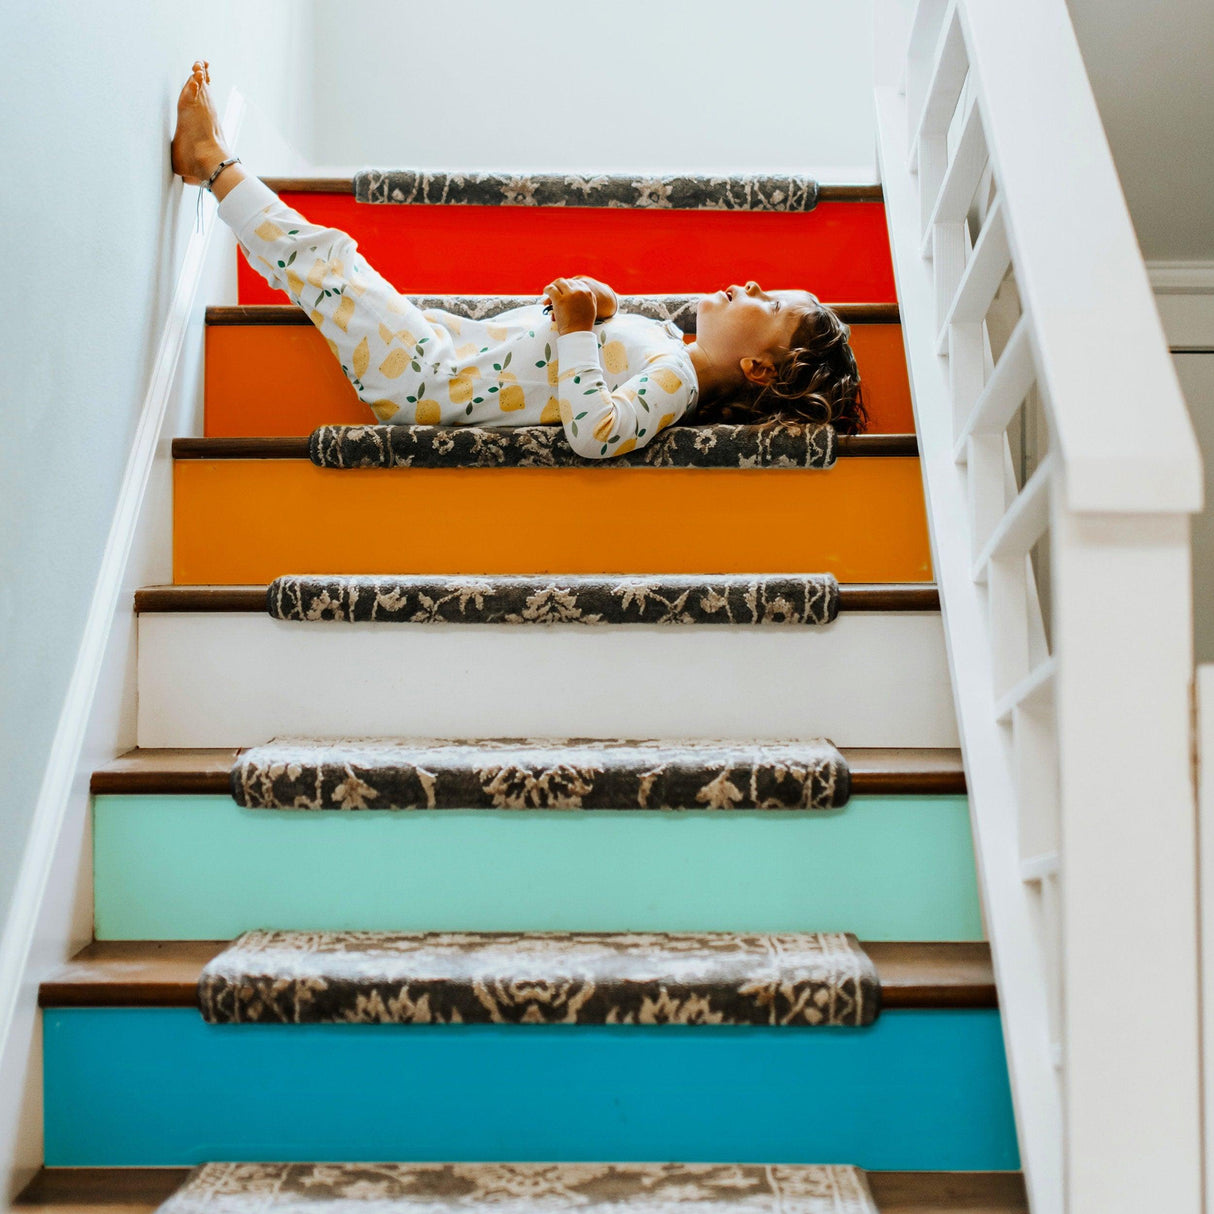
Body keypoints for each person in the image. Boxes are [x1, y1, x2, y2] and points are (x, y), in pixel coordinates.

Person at [172, 61, 868, 459]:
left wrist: (572, 331)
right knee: (332, 277)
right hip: (443, 352)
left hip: (427, 382)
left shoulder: (678, 385)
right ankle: (224, 180)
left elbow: (595, 433)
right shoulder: (665, 346)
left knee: (332, 263)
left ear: (757, 367)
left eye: (770, 304)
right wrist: (594, 312)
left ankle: (213, 165)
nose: (751, 284)